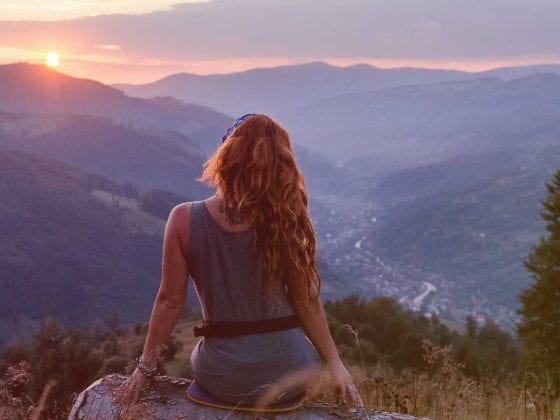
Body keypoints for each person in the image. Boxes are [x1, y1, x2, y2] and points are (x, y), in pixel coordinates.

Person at [117, 113, 364, 407]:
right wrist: (336, 364)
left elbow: (170, 300)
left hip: (222, 376)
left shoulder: (183, 219)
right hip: (291, 374)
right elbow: (305, 301)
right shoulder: (284, 219)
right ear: (280, 167)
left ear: (224, 158)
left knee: (202, 354)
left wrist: (144, 369)